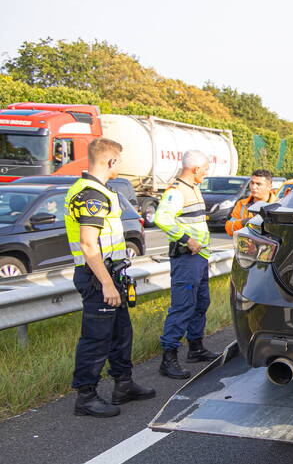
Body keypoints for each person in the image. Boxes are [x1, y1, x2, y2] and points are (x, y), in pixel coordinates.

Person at [65, 138, 154, 417]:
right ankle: (86, 397)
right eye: (120, 161)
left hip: (110, 275)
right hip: (97, 277)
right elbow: (89, 245)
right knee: (96, 339)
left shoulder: (99, 190)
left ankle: (123, 385)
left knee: (120, 334)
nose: (121, 166)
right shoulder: (91, 195)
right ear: (111, 161)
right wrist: (105, 283)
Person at [155, 149, 218, 379]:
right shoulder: (177, 192)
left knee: (201, 303)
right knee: (182, 307)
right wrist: (186, 240)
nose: (206, 172)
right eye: (205, 169)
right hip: (186, 259)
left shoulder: (193, 189)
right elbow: (161, 219)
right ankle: (168, 359)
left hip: (199, 259)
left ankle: (196, 348)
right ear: (195, 169)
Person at [224, 169, 277, 236]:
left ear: (269, 187)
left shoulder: (278, 205)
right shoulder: (241, 204)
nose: (254, 187)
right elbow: (229, 228)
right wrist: (243, 223)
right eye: (252, 183)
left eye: (258, 184)